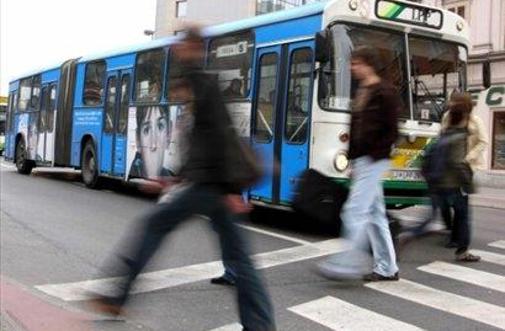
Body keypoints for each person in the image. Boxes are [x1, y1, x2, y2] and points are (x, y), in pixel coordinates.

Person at [88, 28, 276, 331]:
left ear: (192, 47)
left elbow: (222, 137)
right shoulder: (199, 84)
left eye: (180, 45)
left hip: (212, 187)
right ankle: (260, 326)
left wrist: (230, 189)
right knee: (240, 259)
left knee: (152, 226)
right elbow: (204, 144)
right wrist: (175, 180)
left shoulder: (202, 83)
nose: (175, 50)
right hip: (211, 185)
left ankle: (116, 298)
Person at [318, 46, 401, 282]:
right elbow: (356, 129)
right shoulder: (363, 90)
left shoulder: (385, 92)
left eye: (356, 63)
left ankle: (346, 264)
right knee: (375, 215)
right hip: (362, 160)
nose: (352, 68)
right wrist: (353, 158)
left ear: (368, 64)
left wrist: (375, 155)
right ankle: (388, 268)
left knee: (354, 212)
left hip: (373, 159)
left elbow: (392, 131)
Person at [434, 93, 481, 262]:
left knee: (455, 212)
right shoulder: (455, 127)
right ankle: (462, 250)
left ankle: (457, 243)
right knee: (462, 215)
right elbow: (454, 159)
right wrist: (468, 184)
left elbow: (482, 141)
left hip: (447, 178)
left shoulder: (453, 128)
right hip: (456, 178)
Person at [440, 92, 488, 248]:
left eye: (454, 101)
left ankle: (458, 241)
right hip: (447, 169)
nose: (450, 104)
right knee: (447, 204)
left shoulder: (475, 120)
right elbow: (441, 138)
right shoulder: (447, 117)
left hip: (465, 169)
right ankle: (457, 238)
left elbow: (483, 141)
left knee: (461, 207)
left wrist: (468, 158)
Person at [128, 106, 174, 179]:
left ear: (169, 135)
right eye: (146, 130)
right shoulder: (133, 178)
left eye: (160, 126)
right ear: (138, 140)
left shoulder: (171, 177)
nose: (153, 145)